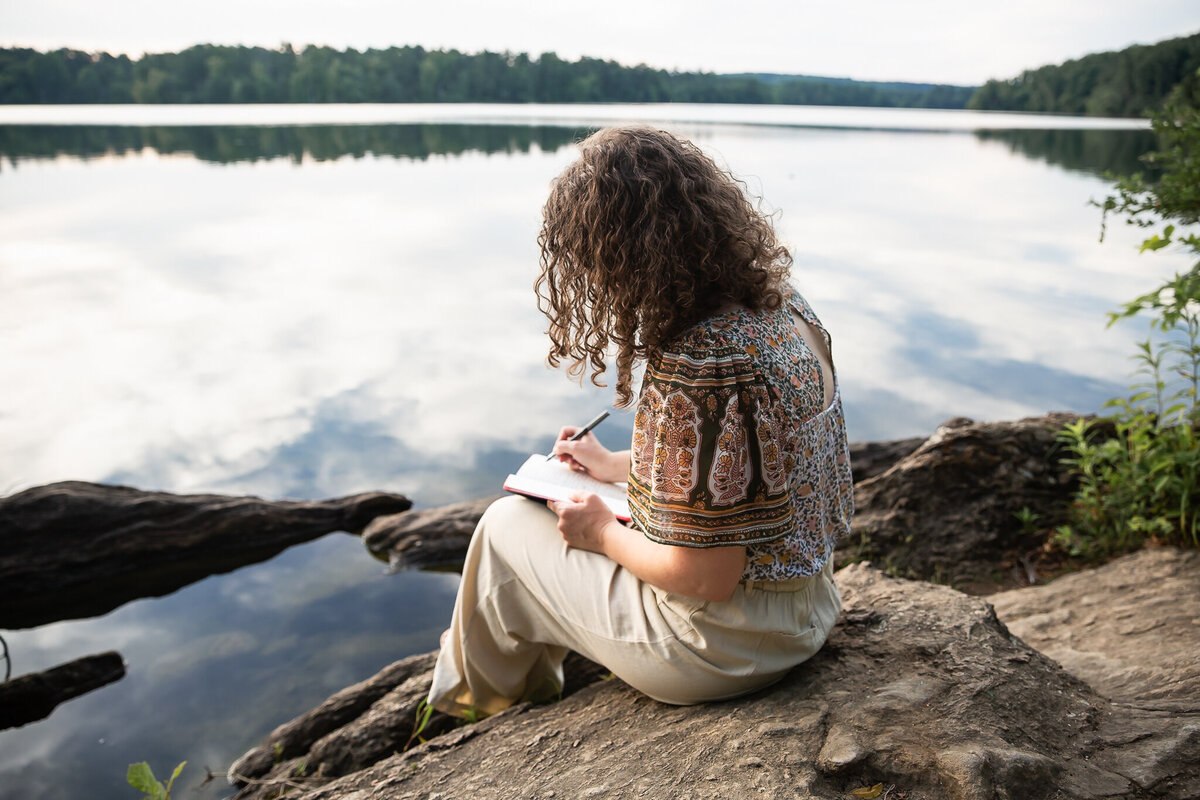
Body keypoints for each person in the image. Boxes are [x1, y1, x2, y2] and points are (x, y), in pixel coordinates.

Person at [428, 126, 853, 717]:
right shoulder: (784, 312)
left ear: (622, 255)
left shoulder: (701, 363)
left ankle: (477, 697)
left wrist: (601, 532)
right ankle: (488, 675)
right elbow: (746, 472)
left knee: (504, 527)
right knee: (551, 518)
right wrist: (610, 466)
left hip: (720, 649)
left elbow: (706, 578)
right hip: (809, 608)